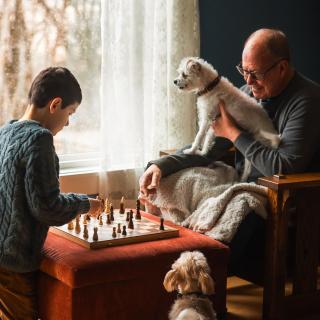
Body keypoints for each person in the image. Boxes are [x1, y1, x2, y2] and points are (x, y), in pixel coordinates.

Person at [139, 28, 320, 275]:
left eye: (255, 74)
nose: (247, 81)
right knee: (170, 180)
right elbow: (210, 148)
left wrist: (234, 133)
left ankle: (196, 279)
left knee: (239, 207)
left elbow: (284, 167)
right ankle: (162, 268)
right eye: (243, 71)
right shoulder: (248, 94)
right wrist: (161, 165)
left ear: (281, 68)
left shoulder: (307, 100)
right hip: (243, 184)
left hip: (286, 202)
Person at [0, 67, 102, 320]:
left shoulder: (5, 131)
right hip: (14, 261)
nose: (68, 123)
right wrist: (86, 204)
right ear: (55, 104)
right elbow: (47, 207)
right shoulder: (39, 139)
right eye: (70, 113)